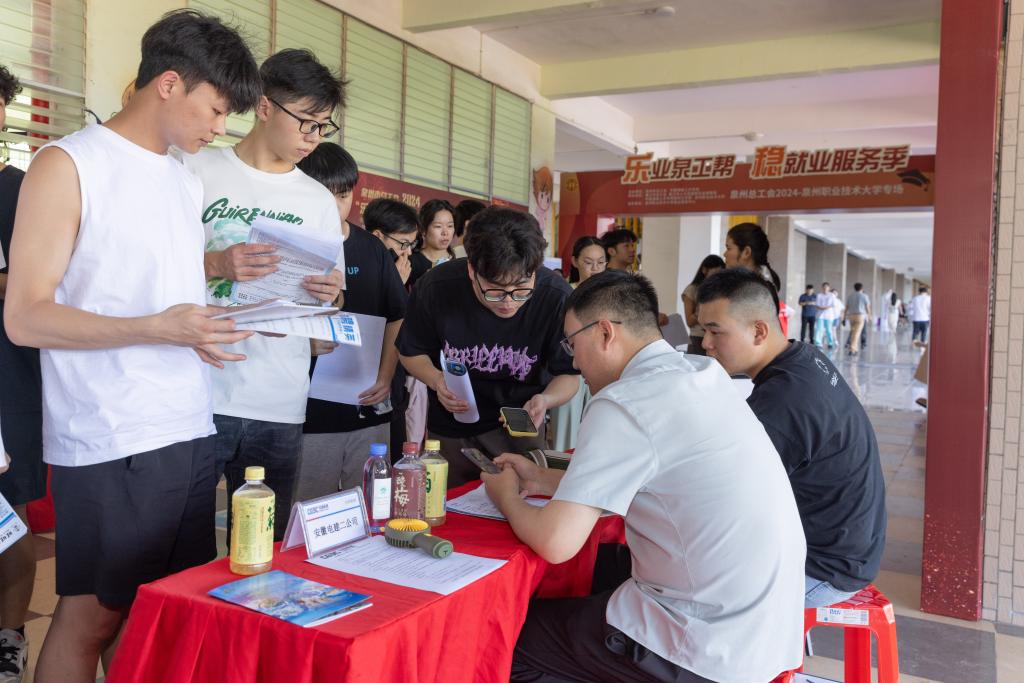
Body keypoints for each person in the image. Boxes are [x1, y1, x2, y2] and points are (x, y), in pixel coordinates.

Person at [3, 11, 262, 679]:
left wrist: (208, 318)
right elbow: (26, 316)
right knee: (90, 615)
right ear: (169, 84)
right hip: (111, 433)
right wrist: (159, 327)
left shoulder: (182, 178)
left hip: (187, 423)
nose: (220, 128)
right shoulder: (69, 164)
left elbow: (148, 289)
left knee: (156, 614)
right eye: (216, 109)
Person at [484, 270, 805, 683]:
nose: (574, 361)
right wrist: (540, 480)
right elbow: (652, 482)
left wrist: (506, 497)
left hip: (704, 645)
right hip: (767, 629)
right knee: (599, 573)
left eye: (572, 344)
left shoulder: (624, 401)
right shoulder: (702, 375)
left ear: (604, 333)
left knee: (508, 639)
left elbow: (555, 542)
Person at [184, 48, 346, 543]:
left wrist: (330, 296)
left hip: (279, 397)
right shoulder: (197, 170)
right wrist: (216, 263)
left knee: (262, 546)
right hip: (198, 389)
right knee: (181, 540)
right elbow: (151, 268)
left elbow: (332, 303)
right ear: (263, 105)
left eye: (323, 127)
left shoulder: (317, 200)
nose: (313, 137)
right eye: (306, 122)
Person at [696, 268, 886, 607]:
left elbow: (721, 493)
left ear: (758, 331)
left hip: (822, 569)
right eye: (703, 331)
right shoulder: (804, 357)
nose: (706, 343)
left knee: (683, 581)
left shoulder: (785, 398)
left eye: (715, 331)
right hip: (852, 551)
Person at [397, 207, 581, 487]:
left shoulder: (556, 298)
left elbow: (569, 374)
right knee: (448, 504)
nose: (509, 302)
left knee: (521, 500)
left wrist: (546, 400)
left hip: (519, 430)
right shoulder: (436, 288)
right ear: (472, 270)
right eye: (495, 290)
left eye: (521, 290)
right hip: (451, 428)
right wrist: (436, 380)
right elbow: (410, 351)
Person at [292, 146, 408, 499]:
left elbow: (397, 316)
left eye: (342, 196)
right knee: (307, 508)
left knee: (372, 506)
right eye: (322, 196)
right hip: (306, 412)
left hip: (366, 405)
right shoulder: (288, 245)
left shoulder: (371, 249)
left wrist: (385, 376)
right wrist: (301, 346)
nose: (333, 206)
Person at [0, 63, 43, 683]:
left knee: (10, 517)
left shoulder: (24, 190)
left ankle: (9, 638)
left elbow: (44, 285)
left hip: (11, 376)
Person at [365, 198, 419, 287]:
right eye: (404, 244)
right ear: (377, 237)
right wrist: (395, 284)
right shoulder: (356, 267)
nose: (409, 252)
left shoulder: (397, 270)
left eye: (411, 244)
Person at [681, 255, 725, 356]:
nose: (717, 278)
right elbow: (689, 321)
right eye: (715, 274)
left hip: (716, 338)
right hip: (697, 338)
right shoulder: (691, 290)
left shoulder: (720, 291)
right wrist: (705, 308)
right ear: (704, 270)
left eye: (720, 274)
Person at [409, 198, 456, 288]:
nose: (445, 232)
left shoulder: (461, 263)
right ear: (423, 230)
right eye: (438, 226)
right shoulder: (410, 263)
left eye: (450, 226)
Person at [723, 222, 782, 291]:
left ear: (746, 252)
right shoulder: (756, 284)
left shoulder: (756, 291)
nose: (724, 254)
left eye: (728, 248)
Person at [844, 282, 872, 356]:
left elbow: (846, 308)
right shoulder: (864, 296)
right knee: (856, 333)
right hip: (860, 316)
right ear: (862, 288)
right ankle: (852, 349)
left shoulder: (850, 296)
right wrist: (869, 316)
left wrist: (844, 317)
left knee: (853, 332)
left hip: (851, 316)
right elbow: (867, 307)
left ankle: (855, 348)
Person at [814, 282, 837, 348]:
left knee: (829, 330)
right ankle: (818, 343)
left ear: (828, 288)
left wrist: (825, 307)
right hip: (820, 315)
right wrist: (822, 308)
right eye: (824, 287)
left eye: (826, 287)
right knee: (819, 329)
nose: (825, 289)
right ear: (822, 288)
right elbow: (817, 305)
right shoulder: (819, 295)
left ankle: (830, 343)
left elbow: (833, 305)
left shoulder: (832, 295)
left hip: (829, 316)